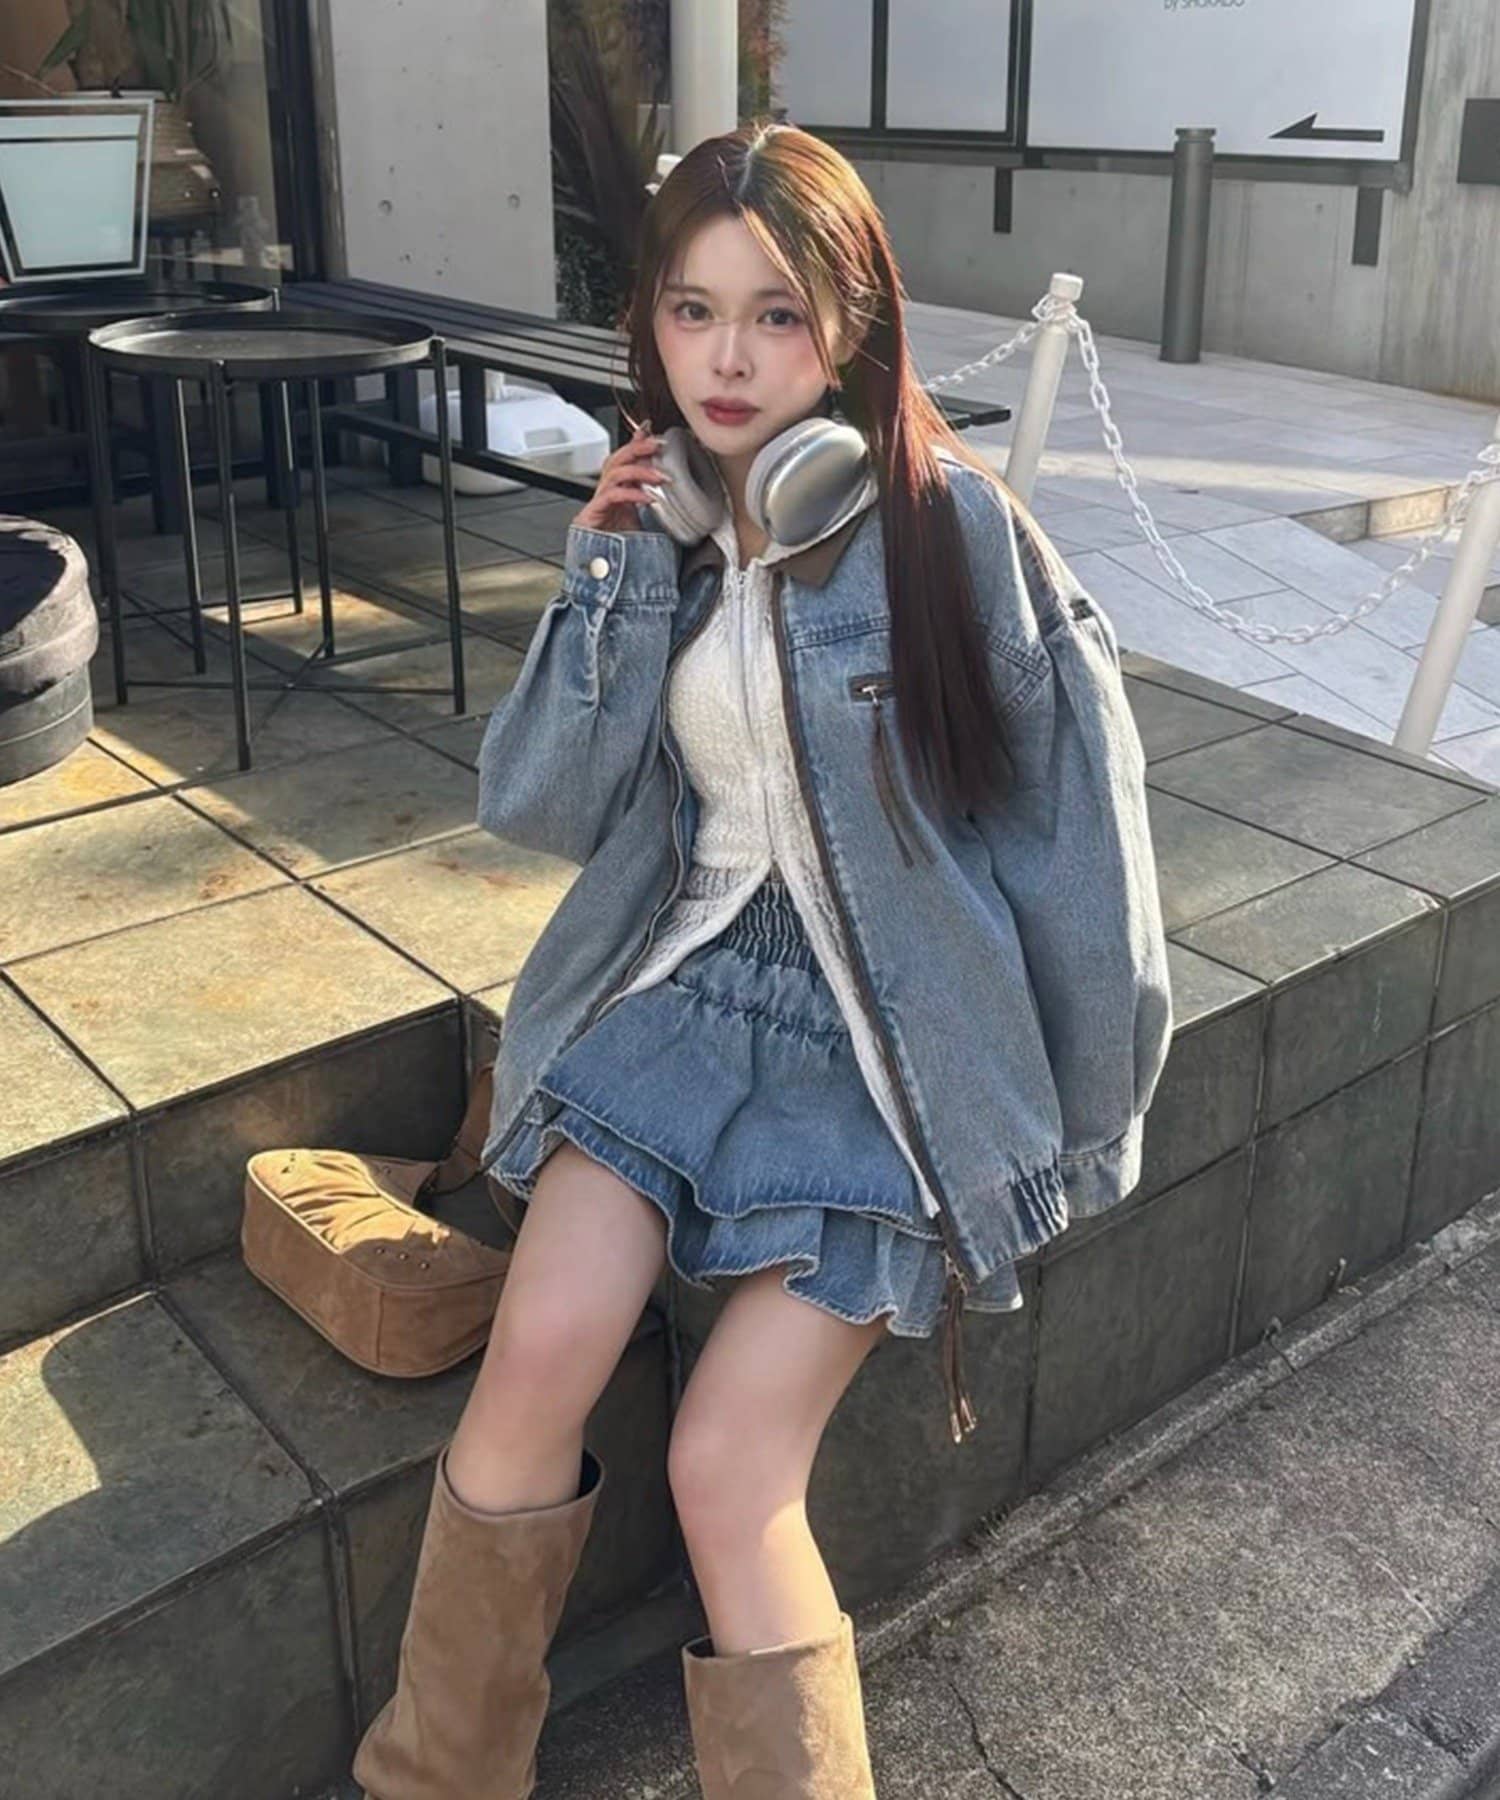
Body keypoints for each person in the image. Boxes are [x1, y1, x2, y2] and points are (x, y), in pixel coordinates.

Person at [353, 120, 1172, 1799]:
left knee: (730, 1470)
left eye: (777, 314)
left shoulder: (954, 535)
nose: (727, 359)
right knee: (533, 1363)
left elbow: (1087, 856)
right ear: (649, 325)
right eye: (692, 310)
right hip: (684, 999)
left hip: (882, 1051)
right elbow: (537, 802)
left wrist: (1066, 1137)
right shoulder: (661, 529)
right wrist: (605, 576)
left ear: (853, 325)